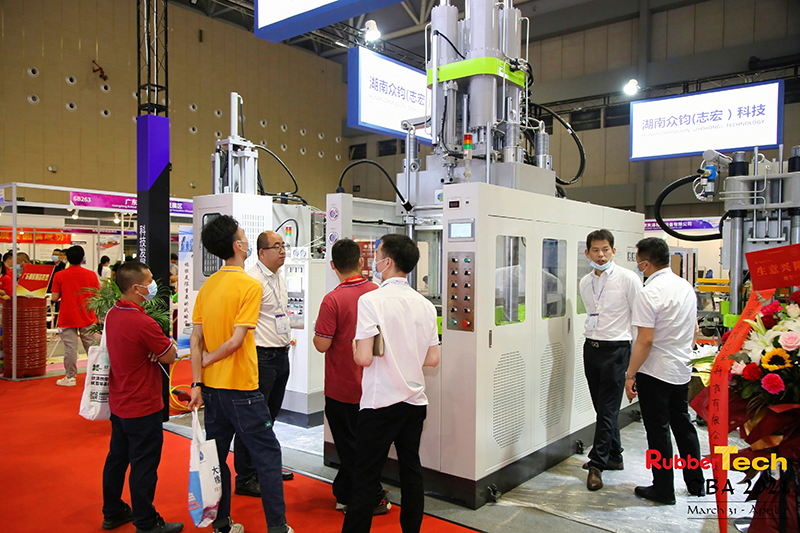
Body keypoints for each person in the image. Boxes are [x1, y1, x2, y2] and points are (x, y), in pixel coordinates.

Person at [187, 215, 292, 533]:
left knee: (217, 457)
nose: (247, 241)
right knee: (269, 456)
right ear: (238, 246)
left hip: (212, 389)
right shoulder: (249, 285)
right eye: (244, 236)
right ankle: (278, 527)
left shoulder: (208, 286)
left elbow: (195, 339)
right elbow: (235, 342)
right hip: (242, 388)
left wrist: (197, 381)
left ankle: (222, 523)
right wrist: (208, 361)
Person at [342, 234, 440, 533]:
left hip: (380, 402)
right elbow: (433, 359)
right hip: (414, 401)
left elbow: (363, 358)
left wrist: (355, 347)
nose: (374, 261)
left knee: (365, 477)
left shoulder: (370, 300)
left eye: (378, 256)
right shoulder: (425, 305)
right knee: (411, 471)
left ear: (388, 262)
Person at [101, 261, 183, 533]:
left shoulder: (113, 314)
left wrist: (158, 348)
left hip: (120, 401)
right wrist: (165, 346)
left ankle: (113, 510)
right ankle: (146, 522)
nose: (153, 285)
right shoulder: (143, 322)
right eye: (149, 281)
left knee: (117, 458)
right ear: (136, 288)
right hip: (143, 405)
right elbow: (169, 355)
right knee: (144, 465)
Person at [625, 237, 705, 505]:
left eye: (638, 261)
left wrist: (630, 374)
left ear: (646, 264)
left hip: (655, 371)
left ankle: (663, 489)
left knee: (658, 431)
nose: (638, 266)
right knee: (683, 425)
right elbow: (694, 330)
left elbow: (645, 341)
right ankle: (696, 483)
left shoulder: (649, 293)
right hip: (681, 369)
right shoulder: (685, 287)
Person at [313, 238, 388, 514]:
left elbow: (322, 344)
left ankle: (366, 496)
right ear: (360, 261)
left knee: (349, 448)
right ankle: (348, 493)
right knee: (366, 447)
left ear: (333, 265)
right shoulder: (377, 292)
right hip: (375, 386)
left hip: (341, 387)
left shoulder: (332, 299)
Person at [578, 229, 641, 491]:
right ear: (587, 253)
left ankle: (597, 464)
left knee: (607, 409)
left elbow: (639, 320)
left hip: (617, 350)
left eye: (605, 250)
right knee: (601, 407)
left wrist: (635, 363)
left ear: (614, 251)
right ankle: (614, 455)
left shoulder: (629, 279)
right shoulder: (585, 282)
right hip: (591, 348)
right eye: (595, 250)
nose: (601, 255)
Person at [234, 230, 294, 496]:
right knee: (254, 419)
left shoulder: (279, 276)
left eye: (283, 246)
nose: (282, 251)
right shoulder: (252, 281)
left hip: (281, 354)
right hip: (261, 356)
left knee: (270, 416)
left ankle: (265, 466)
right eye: (276, 246)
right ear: (261, 253)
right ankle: (246, 476)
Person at [51, 245, 100, 387]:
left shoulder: (59, 275)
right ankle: (96, 375)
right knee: (92, 348)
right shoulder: (91, 275)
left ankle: (70, 377)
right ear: (83, 258)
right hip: (87, 315)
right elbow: (97, 296)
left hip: (67, 316)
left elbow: (54, 297)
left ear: (66, 258)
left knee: (70, 349)